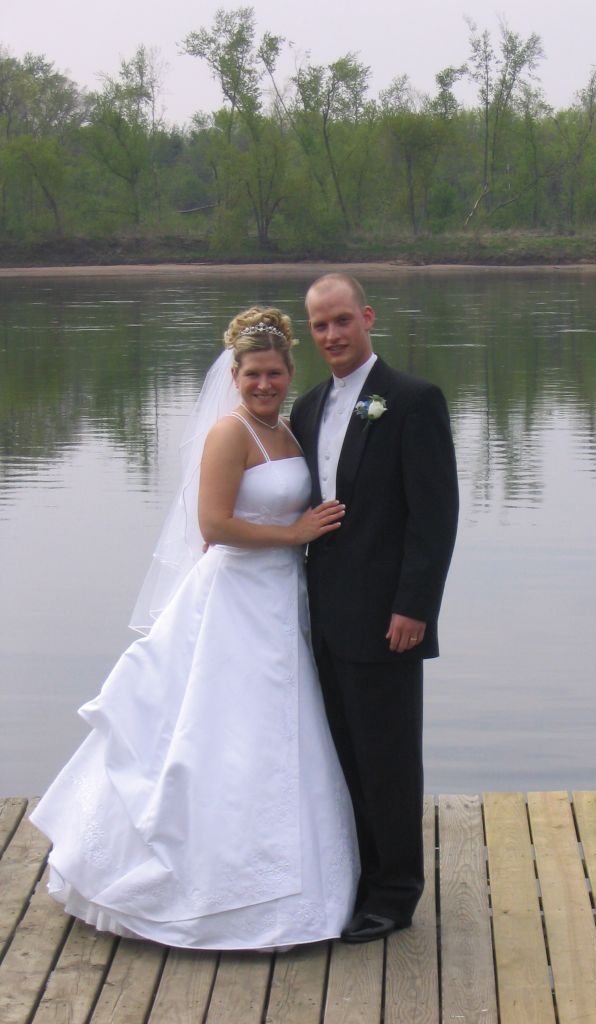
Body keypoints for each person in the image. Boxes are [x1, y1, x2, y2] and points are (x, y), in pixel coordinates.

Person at [30, 306, 359, 950]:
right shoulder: (230, 435)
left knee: (279, 732)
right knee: (220, 731)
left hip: (280, 600)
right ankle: (194, 887)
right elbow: (214, 527)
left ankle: (290, 879)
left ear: (290, 373)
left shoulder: (289, 433)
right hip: (235, 599)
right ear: (234, 376)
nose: (264, 384)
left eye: (274, 374)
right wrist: (293, 533)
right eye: (252, 374)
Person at [290, 273, 459, 943]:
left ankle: (395, 893)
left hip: (388, 619)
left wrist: (414, 606)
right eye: (320, 325)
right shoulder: (305, 409)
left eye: (342, 320)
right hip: (323, 621)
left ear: (368, 317)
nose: (332, 334)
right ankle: (357, 877)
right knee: (343, 758)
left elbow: (434, 515)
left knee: (389, 759)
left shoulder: (413, 401)